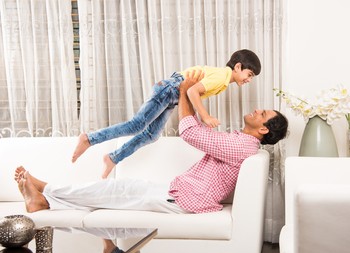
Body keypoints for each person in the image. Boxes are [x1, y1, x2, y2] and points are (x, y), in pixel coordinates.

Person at [15, 71, 288, 216]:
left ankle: (45, 195)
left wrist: (183, 92)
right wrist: (190, 100)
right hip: (179, 192)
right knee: (115, 190)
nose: (255, 110)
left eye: (261, 114)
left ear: (263, 129)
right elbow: (199, 130)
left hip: (184, 199)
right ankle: (46, 195)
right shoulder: (241, 142)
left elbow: (191, 133)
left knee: (116, 192)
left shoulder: (243, 146)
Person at [71, 49, 262, 178]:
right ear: (238, 67)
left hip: (173, 95)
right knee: (137, 125)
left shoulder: (223, 79)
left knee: (151, 135)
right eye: (249, 75)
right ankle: (89, 139)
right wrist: (205, 117)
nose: (249, 80)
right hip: (169, 89)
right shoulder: (222, 77)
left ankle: (113, 157)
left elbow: (190, 92)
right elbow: (191, 91)